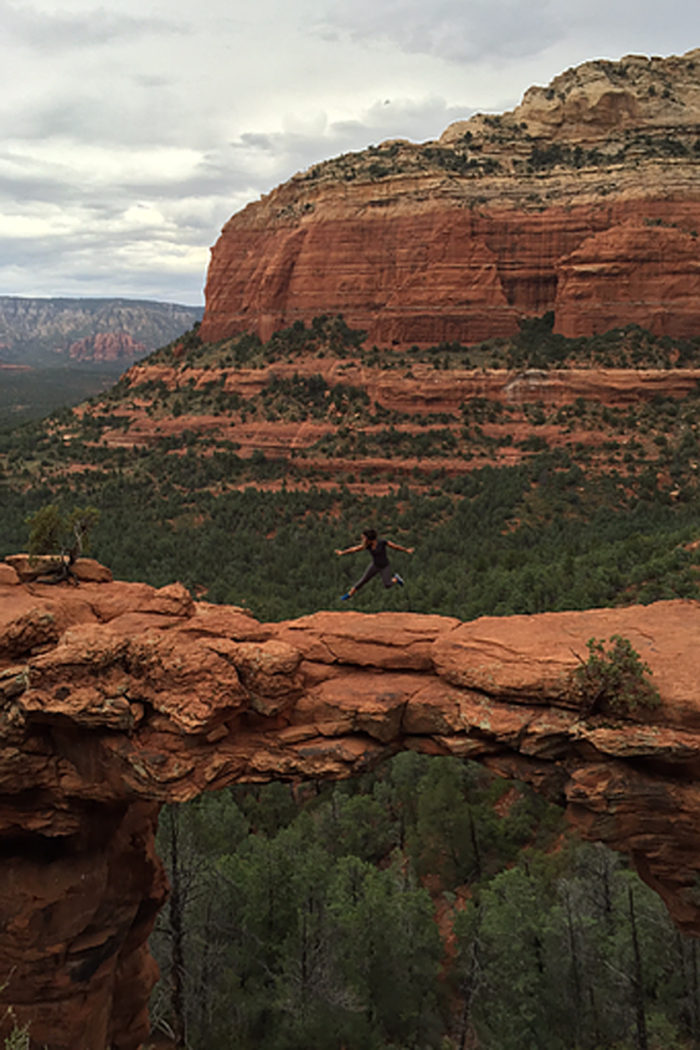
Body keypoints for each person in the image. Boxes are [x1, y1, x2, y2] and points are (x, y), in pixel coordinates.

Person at [335, 528, 414, 601]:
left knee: (387, 585)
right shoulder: (368, 546)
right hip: (375, 566)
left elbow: (395, 547)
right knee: (363, 580)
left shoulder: (382, 543)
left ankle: (396, 578)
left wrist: (406, 550)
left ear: (369, 539)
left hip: (384, 566)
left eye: (364, 538)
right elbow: (354, 549)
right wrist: (342, 552)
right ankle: (349, 595)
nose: (363, 540)